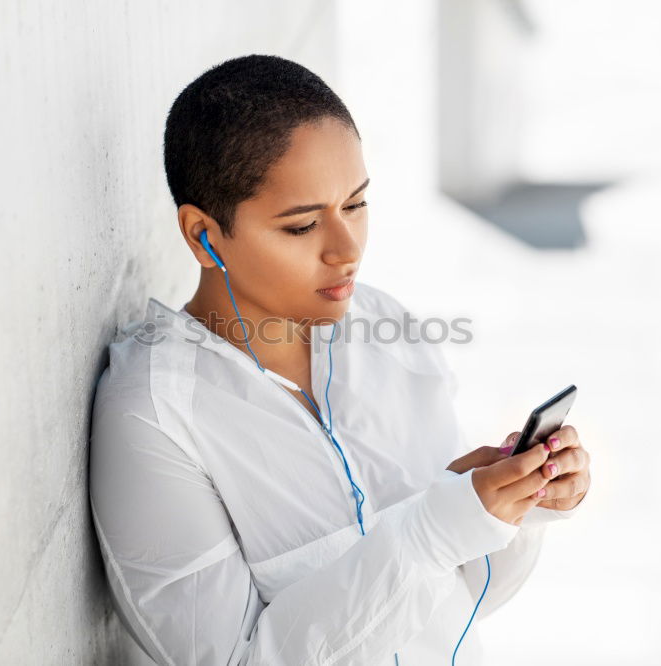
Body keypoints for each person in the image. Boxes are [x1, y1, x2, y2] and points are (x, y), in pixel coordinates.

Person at [88, 54, 591, 665]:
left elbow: (459, 603)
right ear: (203, 235)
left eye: (355, 205)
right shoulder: (155, 412)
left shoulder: (386, 329)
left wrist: (514, 504)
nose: (347, 251)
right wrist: (434, 529)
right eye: (302, 226)